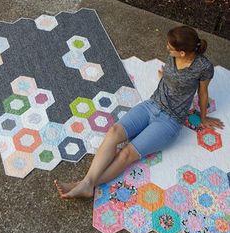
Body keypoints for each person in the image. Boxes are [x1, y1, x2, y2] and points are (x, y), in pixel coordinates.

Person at [54, 26, 224, 199]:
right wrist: (165, 77)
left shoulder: (203, 67)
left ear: (182, 52)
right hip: (151, 105)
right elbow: (173, 74)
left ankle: (85, 185)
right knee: (113, 133)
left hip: (169, 121)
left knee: (126, 154)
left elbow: (203, 93)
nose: (167, 48)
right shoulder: (173, 56)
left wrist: (203, 118)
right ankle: (86, 185)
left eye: (170, 48)